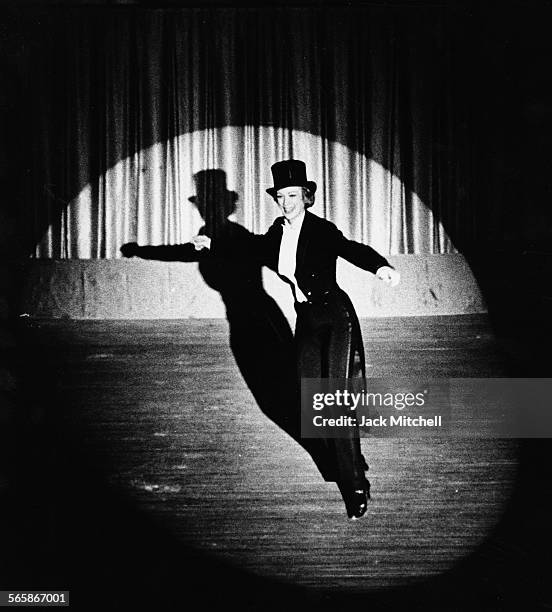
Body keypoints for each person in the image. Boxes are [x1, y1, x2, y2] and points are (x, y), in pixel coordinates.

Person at [195, 159, 400, 519]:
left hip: (336, 318)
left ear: (306, 197)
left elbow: (351, 248)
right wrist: (212, 241)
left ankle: (354, 485)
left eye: (294, 196)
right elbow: (252, 248)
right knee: (311, 399)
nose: (287, 203)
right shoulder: (278, 230)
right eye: (281, 197)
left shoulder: (321, 230)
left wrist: (380, 266)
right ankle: (349, 456)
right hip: (305, 318)